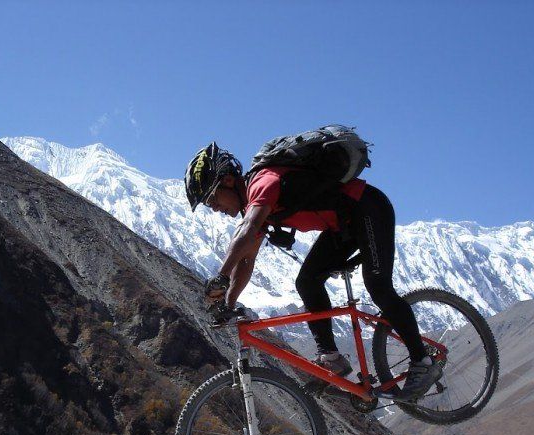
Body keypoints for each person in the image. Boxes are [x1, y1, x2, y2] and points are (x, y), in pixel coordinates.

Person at [184, 142, 441, 399]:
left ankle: (422, 360)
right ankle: (332, 358)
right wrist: (228, 303)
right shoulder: (255, 207)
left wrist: (221, 276)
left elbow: (247, 230)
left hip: (369, 210)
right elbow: (246, 259)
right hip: (343, 226)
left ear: (228, 181)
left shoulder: (263, 183)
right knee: (307, 281)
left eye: (212, 199)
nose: (214, 208)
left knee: (378, 286)